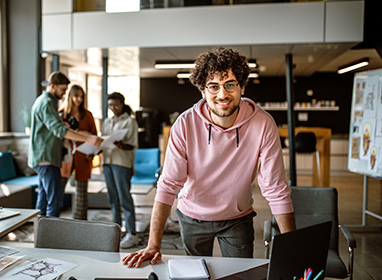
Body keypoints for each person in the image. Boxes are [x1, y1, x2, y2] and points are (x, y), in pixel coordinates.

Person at [123, 47, 296, 268]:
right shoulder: (184, 125)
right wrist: (153, 245)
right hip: (192, 216)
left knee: (240, 275)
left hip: (237, 218)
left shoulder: (263, 124)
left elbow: (275, 188)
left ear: (242, 87)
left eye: (230, 85)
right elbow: (168, 184)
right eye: (213, 86)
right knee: (196, 275)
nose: (222, 94)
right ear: (203, 91)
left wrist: (293, 249)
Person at [28, 71, 103, 217]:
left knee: (43, 201)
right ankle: (49, 237)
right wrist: (87, 138)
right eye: (62, 89)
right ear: (52, 86)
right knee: (55, 201)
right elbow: (60, 130)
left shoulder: (45, 101)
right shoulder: (47, 103)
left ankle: (40, 236)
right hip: (46, 159)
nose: (64, 93)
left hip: (45, 158)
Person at [101, 92, 139, 249]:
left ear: (122, 104)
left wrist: (120, 144)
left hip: (121, 163)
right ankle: (116, 229)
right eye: (110, 105)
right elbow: (103, 141)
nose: (113, 108)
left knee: (124, 198)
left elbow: (133, 144)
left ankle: (131, 232)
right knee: (112, 198)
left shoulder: (130, 122)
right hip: (107, 162)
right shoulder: (107, 121)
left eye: (115, 104)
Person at [59, 84, 98, 220]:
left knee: (82, 194)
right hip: (65, 157)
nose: (79, 99)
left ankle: (80, 224)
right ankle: (53, 221)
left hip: (84, 156)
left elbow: (94, 136)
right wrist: (81, 134)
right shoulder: (61, 114)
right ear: (70, 96)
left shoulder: (87, 115)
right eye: (76, 96)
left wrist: (92, 151)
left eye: (81, 97)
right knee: (59, 190)